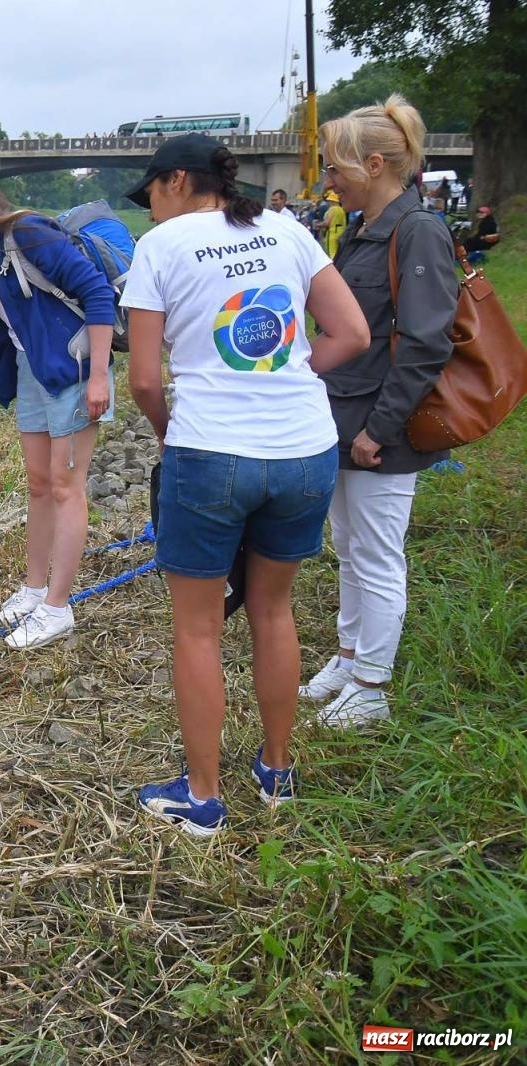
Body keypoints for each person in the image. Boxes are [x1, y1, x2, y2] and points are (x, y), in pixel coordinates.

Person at [119, 133, 371, 835]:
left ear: (176, 182)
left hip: (212, 454)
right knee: (273, 610)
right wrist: (285, 378)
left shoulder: (159, 251)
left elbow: (142, 379)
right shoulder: (288, 230)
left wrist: (172, 427)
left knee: (198, 629)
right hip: (305, 448)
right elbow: (349, 333)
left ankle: (202, 799)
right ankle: (276, 771)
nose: (151, 214)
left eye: (152, 198)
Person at [302, 95, 460, 728]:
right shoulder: (368, 231)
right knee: (348, 544)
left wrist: (380, 429)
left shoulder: (418, 230)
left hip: (379, 427)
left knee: (377, 551)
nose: (328, 182)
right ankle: (348, 655)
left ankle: (372, 683)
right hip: (345, 417)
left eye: (336, 170)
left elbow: (425, 344)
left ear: (374, 164)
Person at [0, 161, 117, 650]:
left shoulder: (28, 234)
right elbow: (16, 319)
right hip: (33, 369)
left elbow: (97, 295)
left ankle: (58, 607)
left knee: (64, 485)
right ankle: (35, 589)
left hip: (74, 368)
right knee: (38, 483)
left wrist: (99, 375)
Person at [322, 191, 348, 257]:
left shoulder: (332, 209)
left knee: (331, 253)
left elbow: (327, 223)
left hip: (332, 233)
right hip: (340, 232)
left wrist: (318, 225)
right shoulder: (342, 210)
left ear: (332, 201)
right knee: (337, 252)